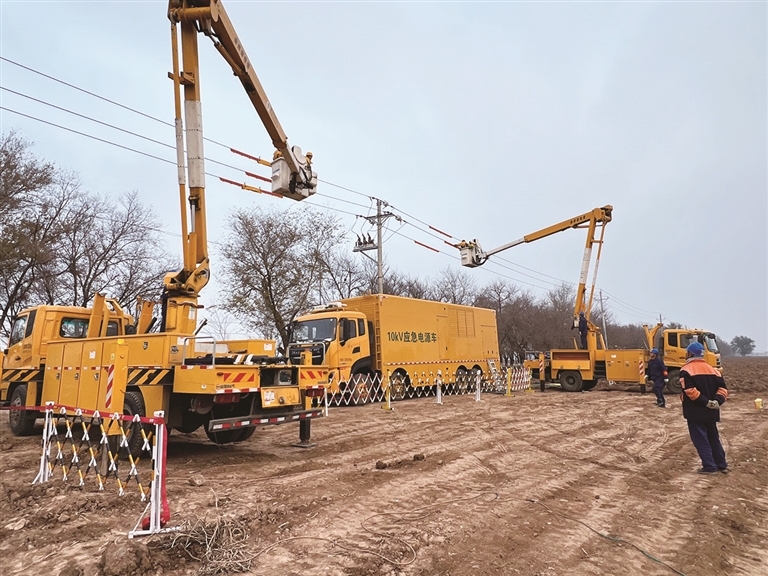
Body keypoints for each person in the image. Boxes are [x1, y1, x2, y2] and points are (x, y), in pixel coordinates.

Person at [680, 341, 729, 475]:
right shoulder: (714, 370)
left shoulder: (686, 370)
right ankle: (722, 465)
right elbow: (723, 389)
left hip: (695, 412)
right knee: (713, 438)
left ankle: (709, 467)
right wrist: (716, 402)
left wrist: (705, 402)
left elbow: (690, 391)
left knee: (701, 440)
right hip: (711, 412)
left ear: (690, 353)